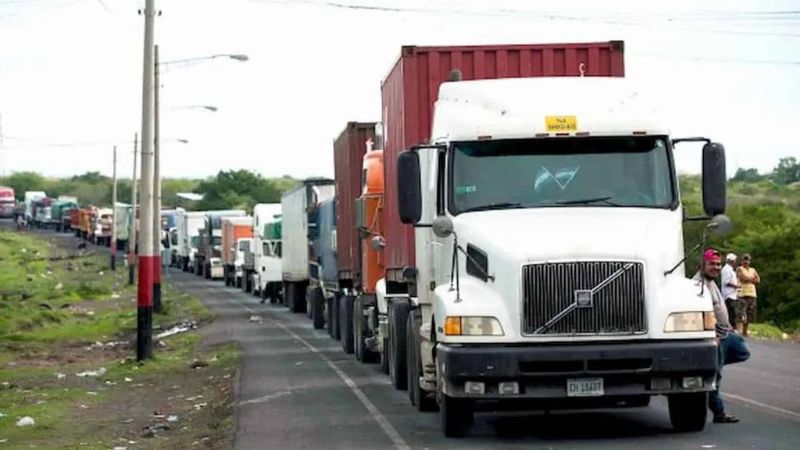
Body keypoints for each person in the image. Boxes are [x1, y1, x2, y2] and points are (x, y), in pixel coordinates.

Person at [693, 248, 750, 424]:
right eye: (712, 264)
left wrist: (729, 327)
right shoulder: (698, 285)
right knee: (714, 377)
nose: (716, 267)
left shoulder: (710, 282)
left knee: (742, 350)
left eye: (718, 264)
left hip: (725, 334)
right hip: (714, 338)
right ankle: (719, 413)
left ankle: (709, 365)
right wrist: (713, 337)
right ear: (701, 266)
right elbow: (701, 314)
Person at [736, 254, 760, 337]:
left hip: (752, 293)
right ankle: (738, 330)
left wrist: (749, 279)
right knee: (741, 312)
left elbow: (758, 280)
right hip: (742, 293)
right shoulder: (739, 268)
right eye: (744, 260)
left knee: (750, 313)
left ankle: (745, 331)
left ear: (749, 261)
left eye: (747, 260)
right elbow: (742, 278)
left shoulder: (753, 269)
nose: (746, 262)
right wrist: (751, 279)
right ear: (742, 261)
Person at [721, 253, 740, 328]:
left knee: (733, 313)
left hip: (732, 294)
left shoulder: (730, 269)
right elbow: (726, 282)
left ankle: (732, 327)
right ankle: (730, 328)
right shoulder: (727, 269)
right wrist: (736, 286)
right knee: (731, 313)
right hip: (729, 294)